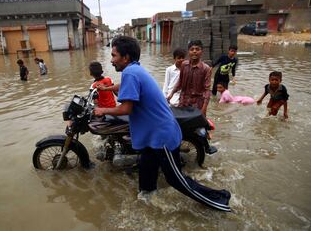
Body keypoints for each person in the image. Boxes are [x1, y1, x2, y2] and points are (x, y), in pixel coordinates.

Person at [94, 36, 231, 212]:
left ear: (126, 57)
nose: (111, 60)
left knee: (175, 179)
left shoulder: (130, 72)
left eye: (114, 55)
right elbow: (127, 85)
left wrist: (102, 110)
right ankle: (146, 199)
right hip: (152, 136)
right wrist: (108, 88)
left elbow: (126, 109)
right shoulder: (135, 70)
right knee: (146, 169)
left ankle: (220, 201)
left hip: (161, 136)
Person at [167, 40, 212, 117]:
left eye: (197, 49)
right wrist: (171, 94)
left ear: (201, 52)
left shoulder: (206, 69)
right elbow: (180, 83)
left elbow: (207, 90)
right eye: (192, 49)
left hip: (197, 103)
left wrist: (204, 108)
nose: (194, 51)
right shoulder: (184, 65)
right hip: (183, 101)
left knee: (197, 126)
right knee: (181, 124)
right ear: (189, 52)